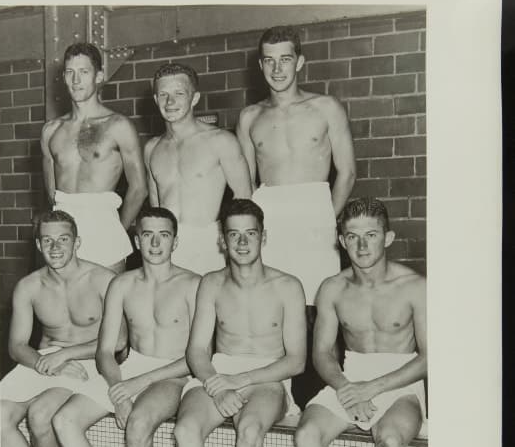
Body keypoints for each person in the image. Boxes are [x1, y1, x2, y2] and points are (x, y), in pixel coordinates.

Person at [51, 207, 200, 447]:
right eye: (147, 235)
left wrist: (137, 385)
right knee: (64, 420)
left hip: (173, 374)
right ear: (136, 240)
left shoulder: (194, 284)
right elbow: (107, 351)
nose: (156, 243)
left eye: (164, 235)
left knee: (139, 422)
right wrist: (119, 391)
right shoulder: (122, 284)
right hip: (130, 368)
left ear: (175, 242)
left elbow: (199, 355)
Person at [173, 198, 306, 447]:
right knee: (185, 431)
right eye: (234, 235)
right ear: (222, 240)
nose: (243, 242)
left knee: (248, 433)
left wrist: (239, 380)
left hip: (267, 377)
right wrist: (216, 384)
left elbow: (296, 361)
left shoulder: (288, 286)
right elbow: (197, 351)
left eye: (251, 234)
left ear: (264, 237)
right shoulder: (211, 283)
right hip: (217, 373)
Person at [294, 197, 427, 447]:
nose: (362, 244)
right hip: (349, 379)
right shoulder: (331, 288)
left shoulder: (415, 287)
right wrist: (345, 388)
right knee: (307, 435)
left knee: (390, 444)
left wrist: (372, 388)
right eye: (352, 236)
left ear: (388, 237)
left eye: (371, 234)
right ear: (342, 240)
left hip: (401, 384)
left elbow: (431, 357)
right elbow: (322, 353)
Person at [0, 210, 115, 447]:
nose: (55, 247)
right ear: (38, 245)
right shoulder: (28, 286)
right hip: (45, 360)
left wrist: (67, 355)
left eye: (63, 239)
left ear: (77, 242)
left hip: (90, 358)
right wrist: (43, 362)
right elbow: (18, 345)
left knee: (40, 415)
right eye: (47, 240)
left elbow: (118, 340)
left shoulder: (103, 279)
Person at [236, 25, 357, 306]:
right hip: (269, 214)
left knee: (315, 306)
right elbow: (245, 185)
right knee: (269, 304)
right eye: (269, 60)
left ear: (300, 62)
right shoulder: (249, 117)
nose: (277, 69)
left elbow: (348, 172)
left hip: (315, 211)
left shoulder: (326, 107)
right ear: (260, 65)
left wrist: (326, 216)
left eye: (285, 59)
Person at [41, 42, 148, 274]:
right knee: (63, 306)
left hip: (104, 225)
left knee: (106, 306)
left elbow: (139, 187)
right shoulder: (51, 130)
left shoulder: (118, 125)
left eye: (84, 72)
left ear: (99, 76)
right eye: (70, 72)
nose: (76, 80)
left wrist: (116, 228)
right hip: (63, 225)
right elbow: (51, 190)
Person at [145, 63, 252, 274]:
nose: (170, 102)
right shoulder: (152, 148)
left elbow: (245, 199)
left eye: (179, 93)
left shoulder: (220, 140)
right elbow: (155, 208)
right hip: (165, 245)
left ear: (194, 98)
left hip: (208, 246)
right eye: (163, 94)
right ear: (156, 100)